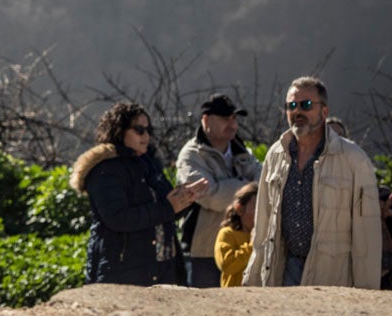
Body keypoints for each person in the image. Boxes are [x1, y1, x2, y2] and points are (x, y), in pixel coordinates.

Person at [243, 76, 381, 288]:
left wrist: (367, 290)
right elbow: (263, 222)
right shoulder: (276, 154)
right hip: (285, 270)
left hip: (331, 276)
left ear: (324, 111)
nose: (298, 112)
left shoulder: (353, 158)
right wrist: (252, 278)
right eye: (291, 106)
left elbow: (367, 234)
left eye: (306, 105)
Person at [70, 101, 208, 286]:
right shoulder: (105, 170)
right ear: (119, 131)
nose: (146, 135)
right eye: (139, 130)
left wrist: (185, 200)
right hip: (122, 272)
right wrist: (168, 207)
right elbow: (118, 218)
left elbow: (166, 209)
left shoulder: (150, 164)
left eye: (148, 129)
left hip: (163, 268)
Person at [175, 93, 261, 287]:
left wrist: (227, 185)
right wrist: (247, 186)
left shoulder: (242, 151)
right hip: (203, 251)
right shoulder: (191, 156)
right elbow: (211, 197)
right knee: (204, 311)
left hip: (243, 247)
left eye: (234, 118)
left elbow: (263, 184)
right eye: (224, 118)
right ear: (206, 120)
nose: (232, 124)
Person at [215, 181, 259, 287]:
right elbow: (227, 264)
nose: (260, 214)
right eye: (256, 208)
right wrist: (252, 245)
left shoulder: (266, 237)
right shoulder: (227, 234)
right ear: (240, 209)